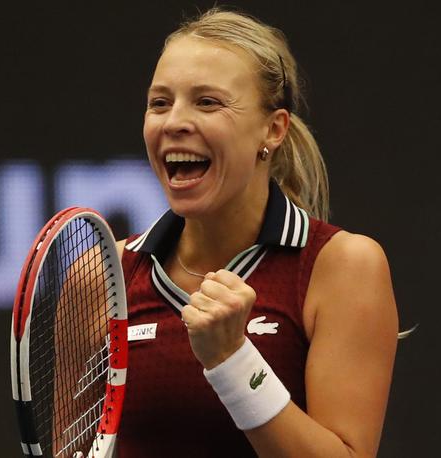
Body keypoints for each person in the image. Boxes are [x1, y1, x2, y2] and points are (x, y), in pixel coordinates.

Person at [115, 8, 398, 457]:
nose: (174, 122)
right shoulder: (105, 275)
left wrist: (231, 359)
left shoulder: (342, 266)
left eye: (207, 102)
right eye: (160, 102)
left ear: (273, 128)